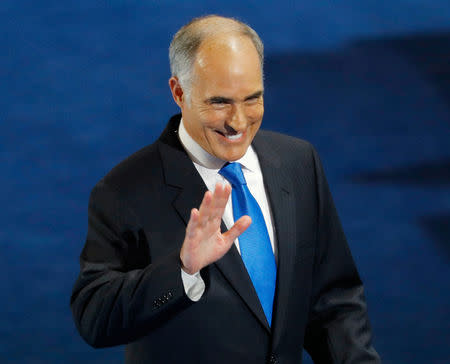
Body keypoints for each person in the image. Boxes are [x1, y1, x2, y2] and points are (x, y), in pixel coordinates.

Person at [70, 15, 381, 364]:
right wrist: (182, 272)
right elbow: (94, 320)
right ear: (179, 92)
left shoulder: (298, 163)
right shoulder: (123, 190)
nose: (238, 121)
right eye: (220, 102)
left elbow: (332, 301)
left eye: (252, 99)